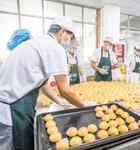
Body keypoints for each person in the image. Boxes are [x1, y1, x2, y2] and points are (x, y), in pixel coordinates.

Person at [0, 16, 84, 150]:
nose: (69, 42)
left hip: (8, 107)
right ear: (63, 31)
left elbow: (42, 84)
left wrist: (58, 100)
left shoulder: (36, 44)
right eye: (70, 37)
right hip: (13, 112)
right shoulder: (54, 47)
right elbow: (65, 91)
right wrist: (84, 105)